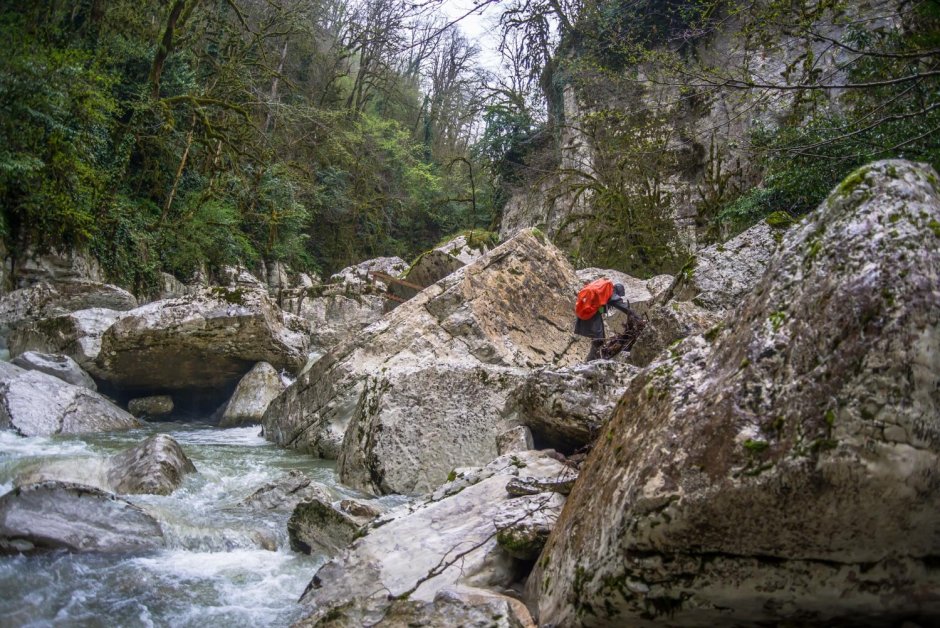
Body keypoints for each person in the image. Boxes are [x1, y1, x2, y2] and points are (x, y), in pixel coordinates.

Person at [574, 282, 633, 361]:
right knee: (598, 339)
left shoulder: (605, 292)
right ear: (618, 291)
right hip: (592, 315)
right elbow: (622, 306)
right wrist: (635, 315)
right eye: (619, 295)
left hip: (590, 313)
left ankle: (593, 359)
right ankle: (591, 360)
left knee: (599, 339)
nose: (619, 297)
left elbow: (600, 307)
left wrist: (601, 311)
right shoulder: (611, 293)